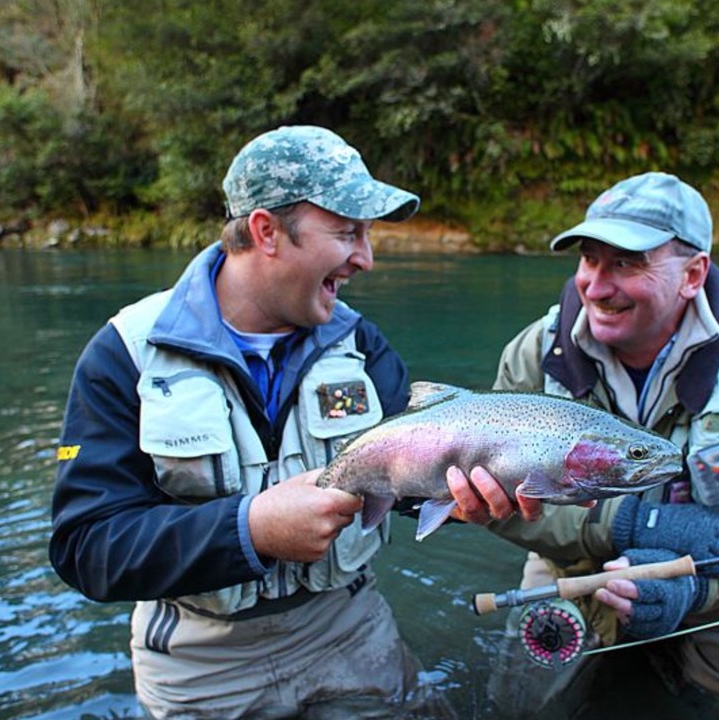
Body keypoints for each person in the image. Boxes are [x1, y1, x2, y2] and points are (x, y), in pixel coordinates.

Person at [48, 125, 452, 719]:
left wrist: (463, 488)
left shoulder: (364, 345)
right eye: (347, 232)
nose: (366, 257)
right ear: (265, 232)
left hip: (347, 629)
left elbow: (405, 487)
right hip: (199, 664)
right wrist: (250, 529)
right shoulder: (124, 354)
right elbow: (87, 547)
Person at [449, 172, 719, 716]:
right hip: (572, 570)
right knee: (518, 704)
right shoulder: (535, 356)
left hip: (710, 577)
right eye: (589, 259)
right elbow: (498, 502)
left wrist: (697, 592)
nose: (596, 285)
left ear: (693, 274)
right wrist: (626, 526)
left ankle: (676, 653)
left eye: (626, 263)